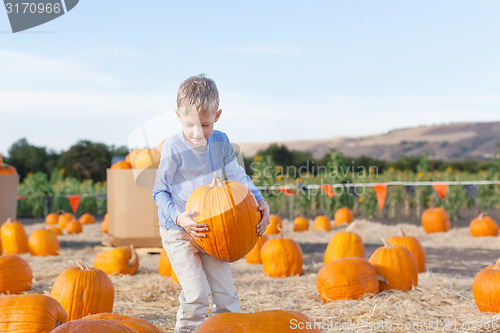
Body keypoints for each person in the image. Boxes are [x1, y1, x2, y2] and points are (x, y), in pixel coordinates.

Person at [152, 74, 270, 332]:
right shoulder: (173, 148)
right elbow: (159, 192)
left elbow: (238, 176)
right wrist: (180, 217)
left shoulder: (221, 141)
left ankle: (227, 328)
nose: (198, 133)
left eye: (205, 125)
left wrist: (260, 201)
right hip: (179, 230)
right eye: (190, 125)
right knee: (196, 293)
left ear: (217, 116)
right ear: (178, 116)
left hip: (215, 227)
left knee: (226, 294)